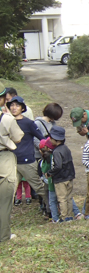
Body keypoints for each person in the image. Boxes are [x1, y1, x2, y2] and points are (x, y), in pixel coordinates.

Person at [7, 96, 48, 210]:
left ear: (22, 108)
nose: (14, 108)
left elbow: (42, 138)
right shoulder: (6, 121)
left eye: (17, 105)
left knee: (39, 187)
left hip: (26, 161)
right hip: (10, 161)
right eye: (12, 105)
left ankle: (53, 208)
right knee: (8, 190)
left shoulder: (29, 123)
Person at [0, 87, 24, 242]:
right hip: (4, 158)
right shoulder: (6, 119)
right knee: (4, 200)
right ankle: (3, 235)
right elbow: (17, 138)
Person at [47, 126, 77, 222]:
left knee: (62, 198)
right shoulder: (66, 148)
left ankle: (64, 217)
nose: (50, 141)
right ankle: (69, 215)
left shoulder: (56, 152)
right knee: (68, 197)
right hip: (69, 176)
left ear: (56, 140)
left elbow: (58, 166)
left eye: (51, 139)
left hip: (60, 179)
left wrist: (50, 173)